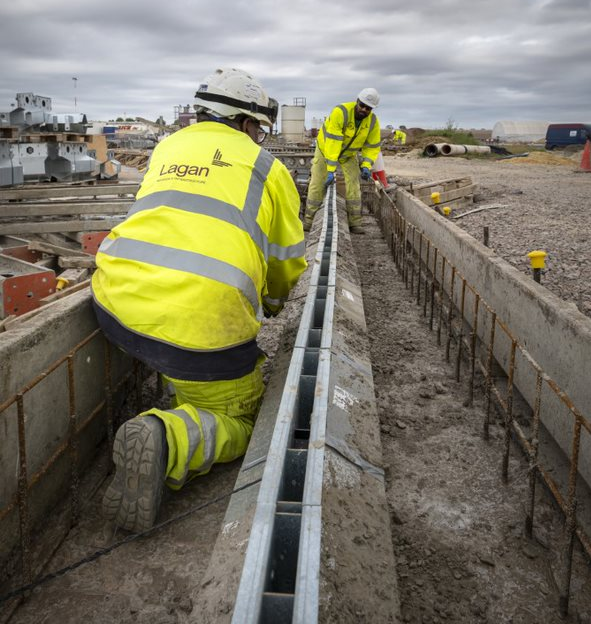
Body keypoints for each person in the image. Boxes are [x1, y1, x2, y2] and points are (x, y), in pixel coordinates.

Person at [92, 68, 307, 532]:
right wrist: (270, 304)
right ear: (248, 123)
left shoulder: (168, 147)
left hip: (113, 302)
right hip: (198, 326)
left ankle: (178, 389)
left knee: (171, 345)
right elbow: (286, 260)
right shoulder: (269, 169)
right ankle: (167, 438)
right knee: (240, 417)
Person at [303, 88, 381, 234]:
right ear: (357, 101)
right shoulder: (341, 112)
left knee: (354, 183)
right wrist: (331, 170)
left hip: (349, 155)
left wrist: (366, 165)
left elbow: (372, 147)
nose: (364, 110)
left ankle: (355, 223)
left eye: (368, 108)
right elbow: (333, 142)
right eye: (362, 105)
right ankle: (309, 221)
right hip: (325, 150)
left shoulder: (373, 123)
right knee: (317, 182)